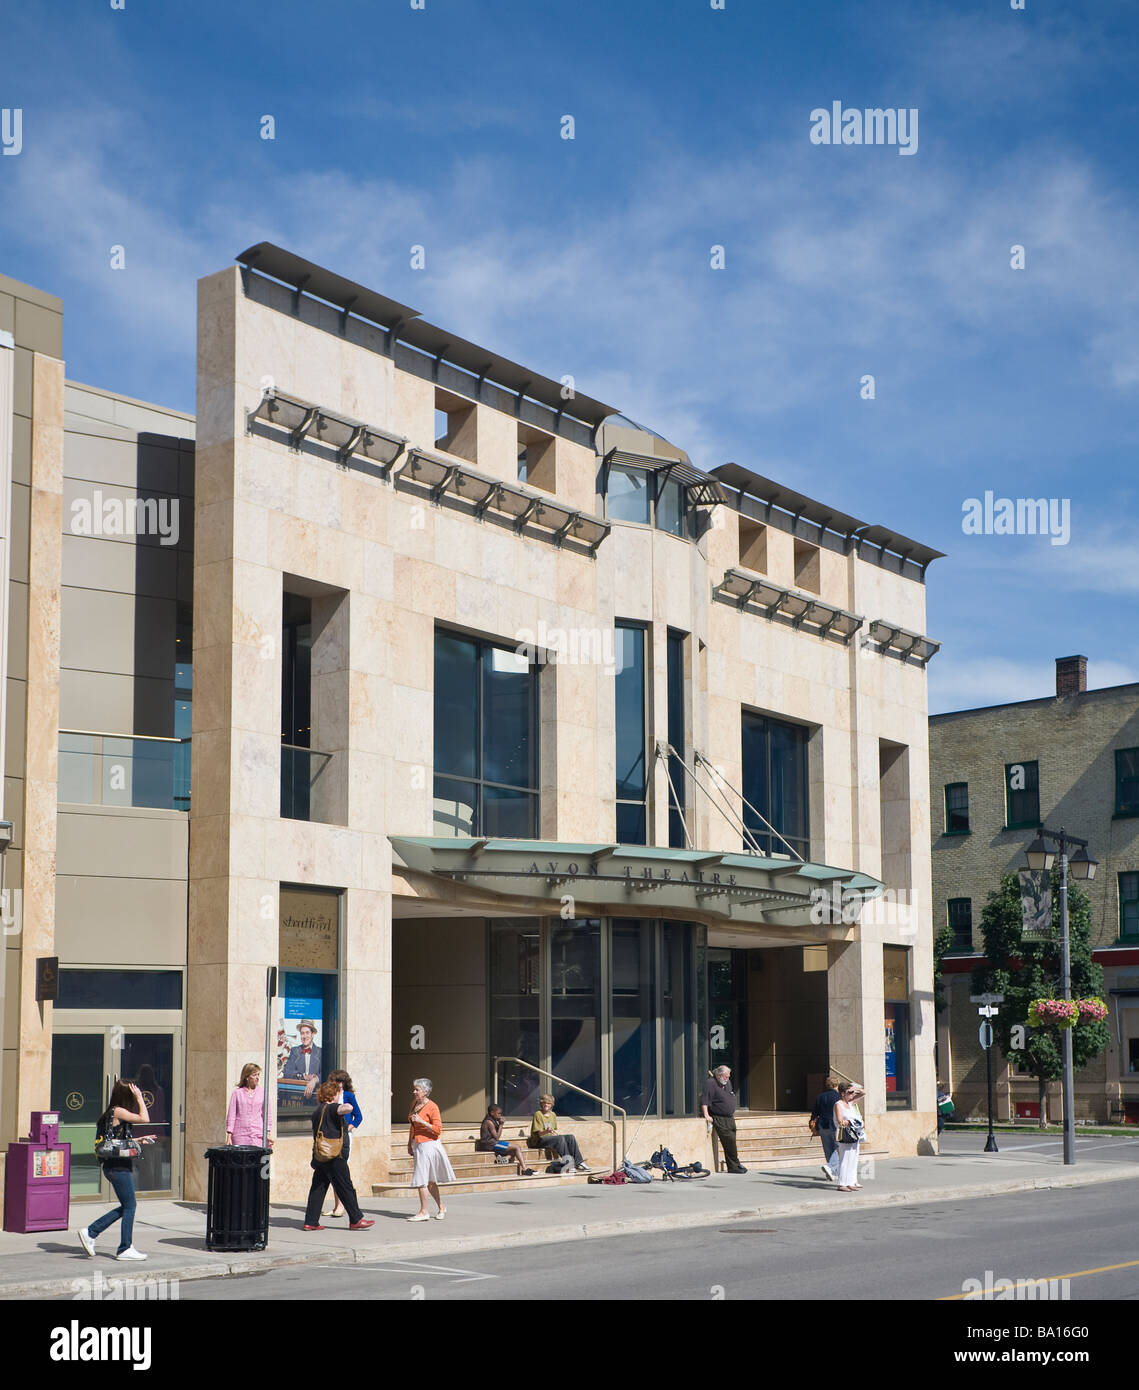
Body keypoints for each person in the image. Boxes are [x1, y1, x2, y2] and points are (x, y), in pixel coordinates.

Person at [77, 1079, 156, 1261]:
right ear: (127, 1096)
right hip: (117, 1166)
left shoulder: (113, 1112)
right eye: (133, 1094)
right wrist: (139, 1098)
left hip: (115, 1165)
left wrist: (139, 1140)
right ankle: (124, 1248)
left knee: (128, 1206)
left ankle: (91, 1232)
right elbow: (145, 1118)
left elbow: (117, 1140)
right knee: (130, 1206)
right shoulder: (119, 1111)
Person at [303, 1079, 374, 1231]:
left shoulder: (317, 1111)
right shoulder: (332, 1108)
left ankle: (311, 1221)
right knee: (346, 1186)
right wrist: (341, 1100)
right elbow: (348, 1108)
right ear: (333, 1094)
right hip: (334, 1155)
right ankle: (356, 1218)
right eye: (337, 1093)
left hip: (320, 1155)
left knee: (318, 1187)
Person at [407, 1078, 455, 1221]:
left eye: (417, 1089)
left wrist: (422, 1121)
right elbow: (412, 1125)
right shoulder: (414, 1103)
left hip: (429, 1145)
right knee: (429, 1181)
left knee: (421, 1179)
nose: (414, 1092)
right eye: (414, 1089)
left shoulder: (432, 1107)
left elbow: (438, 1129)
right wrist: (409, 1142)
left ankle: (424, 1211)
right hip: (418, 1145)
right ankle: (441, 1207)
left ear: (426, 1092)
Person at [325, 1069, 361, 1218]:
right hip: (331, 1135)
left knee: (340, 1169)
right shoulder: (329, 1095)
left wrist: (349, 1127)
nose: (339, 1084)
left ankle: (341, 1205)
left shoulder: (348, 1096)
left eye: (341, 1081)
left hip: (344, 1136)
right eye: (336, 1081)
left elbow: (358, 1116)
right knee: (332, 1170)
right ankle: (336, 1205)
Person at [529, 1094, 593, 1173]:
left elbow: (552, 1131)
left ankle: (579, 1162)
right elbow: (539, 1134)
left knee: (570, 1137)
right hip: (538, 1140)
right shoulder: (538, 1114)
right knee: (559, 1139)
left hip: (549, 1138)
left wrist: (553, 1133)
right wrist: (547, 1131)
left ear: (552, 1104)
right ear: (541, 1104)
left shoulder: (553, 1115)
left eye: (548, 1103)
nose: (546, 1105)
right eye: (544, 1103)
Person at [701, 1065, 746, 1173]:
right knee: (729, 1141)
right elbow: (705, 1100)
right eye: (726, 1076)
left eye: (728, 1076)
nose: (728, 1078)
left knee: (732, 1141)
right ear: (719, 1075)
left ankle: (734, 1164)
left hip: (729, 1117)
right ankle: (734, 1165)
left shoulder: (727, 1083)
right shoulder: (710, 1083)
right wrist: (706, 1115)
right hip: (719, 1117)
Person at [476, 1104, 536, 1175]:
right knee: (516, 1148)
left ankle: (505, 1158)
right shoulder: (489, 1122)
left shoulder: (493, 1120)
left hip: (493, 1143)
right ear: (492, 1113)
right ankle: (524, 1169)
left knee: (515, 1149)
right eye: (498, 1113)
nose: (500, 1115)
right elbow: (497, 1137)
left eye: (500, 1113)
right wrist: (501, 1125)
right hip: (489, 1144)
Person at [226, 1062, 273, 1149]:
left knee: (256, 1161)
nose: (257, 1077)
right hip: (240, 1136)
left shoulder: (263, 1092)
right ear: (247, 1077)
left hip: (258, 1135)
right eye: (254, 1075)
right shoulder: (237, 1093)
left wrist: (268, 1133)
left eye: (258, 1075)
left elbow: (267, 1115)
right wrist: (229, 1136)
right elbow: (231, 1115)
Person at [832, 1082, 866, 1192]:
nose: (851, 1094)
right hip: (845, 1134)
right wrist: (852, 1122)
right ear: (842, 1093)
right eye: (849, 1092)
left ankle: (851, 1182)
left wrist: (854, 1088)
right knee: (845, 1158)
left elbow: (864, 1093)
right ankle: (842, 1183)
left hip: (854, 1133)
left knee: (853, 1158)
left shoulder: (850, 1103)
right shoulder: (839, 1104)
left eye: (852, 1093)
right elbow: (840, 1120)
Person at [810, 1076, 841, 1181]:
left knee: (828, 1149)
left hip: (822, 1125)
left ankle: (833, 1172)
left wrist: (812, 1123)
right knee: (836, 1148)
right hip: (835, 1125)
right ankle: (831, 1168)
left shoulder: (820, 1096)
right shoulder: (839, 1097)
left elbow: (815, 1112)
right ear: (837, 1085)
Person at [282, 1020, 322, 1099]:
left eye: (307, 1033)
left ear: (312, 1034)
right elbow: (287, 1072)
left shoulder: (320, 1052)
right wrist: (303, 1076)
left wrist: (315, 1080)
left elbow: (326, 1073)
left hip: (316, 1096)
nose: (304, 1036)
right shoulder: (294, 1051)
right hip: (296, 1096)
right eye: (302, 1033)